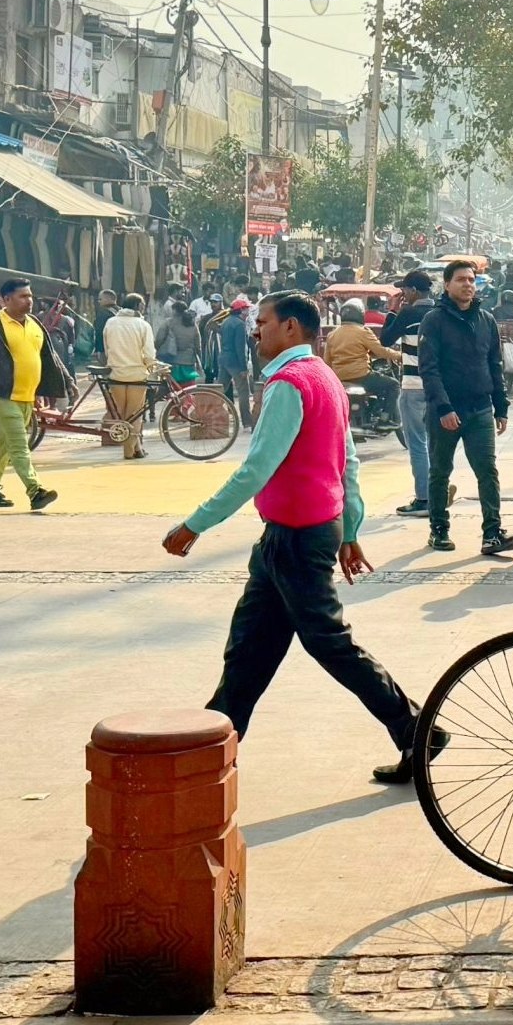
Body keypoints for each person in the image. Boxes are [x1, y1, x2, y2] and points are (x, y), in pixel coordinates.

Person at [163, 292, 437, 784]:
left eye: (262, 322)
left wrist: (194, 524)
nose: (256, 330)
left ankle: (416, 728)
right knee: (250, 645)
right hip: (293, 536)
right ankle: (212, 747)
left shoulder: (290, 383)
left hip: (297, 536)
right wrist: (348, 529)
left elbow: (255, 470)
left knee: (328, 642)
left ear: (290, 327)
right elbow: (346, 461)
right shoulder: (324, 377)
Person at [419, 259, 513, 556]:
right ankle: (438, 530)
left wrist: (501, 407)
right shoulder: (433, 321)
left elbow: (494, 365)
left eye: (472, 280)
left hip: (480, 409)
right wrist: (443, 408)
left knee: (487, 470)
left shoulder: (486, 320)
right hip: (446, 411)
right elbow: (429, 369)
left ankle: (492, 534)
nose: (467, 285)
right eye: (461, 279)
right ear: (447, 285)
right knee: (440, 471)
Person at [0, 277, 69, 511]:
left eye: (30, 296)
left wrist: (67, 381)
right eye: (23, 296)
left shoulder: (35, 324)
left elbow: (50, 358)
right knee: (19, 444)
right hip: (1, 396)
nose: (29, 300)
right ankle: (35, 490)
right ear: (5, 299)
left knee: (3, 446)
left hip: (27, 396)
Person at [378, 273, 438, 516]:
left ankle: (424, 499)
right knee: (435, 444)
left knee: (417, 443)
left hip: (414, 385)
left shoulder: (408, 314)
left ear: (413, 291)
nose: (403, 294)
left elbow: (385, 339)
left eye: (404, 290)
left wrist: (392, 311)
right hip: (439, 388)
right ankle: (437, 492)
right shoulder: (442, 313)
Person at [101, 292, 161, 460]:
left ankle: (138, 449)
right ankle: (128, 452)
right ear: (137, 307)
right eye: (142, 306)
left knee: (122, 415)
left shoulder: (111, 323)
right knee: (134, 415)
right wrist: (154, 367)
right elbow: (149, 353)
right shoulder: (143, 325)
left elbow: (107, 348)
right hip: (136, 374)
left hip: (115, 373)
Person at [326, 297, 403, 385]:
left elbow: (327, 361)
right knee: (394, 385)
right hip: (361, 376)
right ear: (360, 314)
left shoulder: (332, 334)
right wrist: (399, 355)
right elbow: (380, 351)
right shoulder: (363, 332)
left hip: (339, 377)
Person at [214, 295, 256, 421]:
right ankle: (247, 421)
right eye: (247, 309)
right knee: (243, 392)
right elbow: (240, 348)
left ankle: (211, 413)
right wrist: (243, 368)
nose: (248, 311)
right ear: (242, 310)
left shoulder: (226, 321)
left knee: (220, 390)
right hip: (235, 362)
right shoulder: (239, 324)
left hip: (224, 359)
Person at [155, 294, 203, 384]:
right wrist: (199, 358)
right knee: (188, 389)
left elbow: (159, 340)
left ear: (174, 310)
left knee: (173, 388)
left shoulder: (168, 323)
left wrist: (155, 352)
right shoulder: (193, 324)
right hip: (189, 362)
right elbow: (198, 345)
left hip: (172, 361)